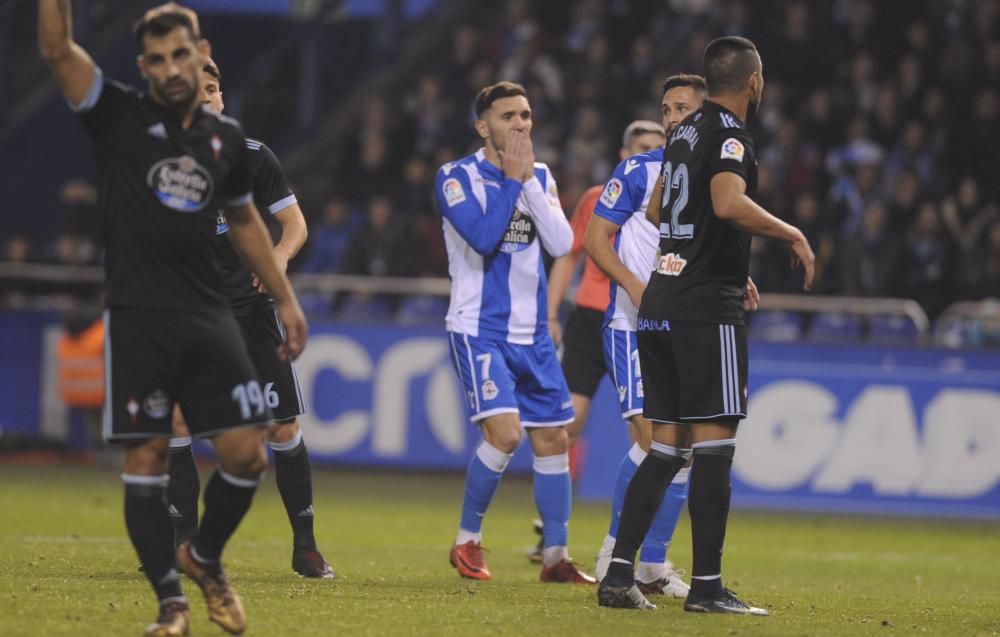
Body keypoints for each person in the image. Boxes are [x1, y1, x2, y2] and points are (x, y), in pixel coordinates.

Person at [38, 3, 308, 636]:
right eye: (155, 59)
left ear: (198, 55)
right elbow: (56, 51)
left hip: (211, 316)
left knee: (246, 456)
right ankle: (172, 605)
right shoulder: (118, 114)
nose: (169, 68)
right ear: (144, 68)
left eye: (179, 55)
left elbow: (246, 224)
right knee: (147, 462)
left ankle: (203, 556)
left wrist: (284, 297)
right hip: (139, 317)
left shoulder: (223, 140)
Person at [597, 36, 814, 613]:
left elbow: (655, 212)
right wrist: (789, 231)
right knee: (715, 449)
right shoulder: (730, 134)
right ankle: (709, 589)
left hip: (662, 302)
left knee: (665, 450)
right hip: (703, 309)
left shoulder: (681, 136)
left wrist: (699, 253)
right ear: (753, 81)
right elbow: (725, 201)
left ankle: (618, 578)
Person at [165, 57, 334, 580]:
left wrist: (280, 258)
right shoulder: (161, 164)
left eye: (215, 89)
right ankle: (183, 548)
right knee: (178, 425)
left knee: (282, 427)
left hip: (251, 312)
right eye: (200, 91)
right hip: (189, 315)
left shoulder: (255, 158)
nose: (210, 98)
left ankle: (305, 546)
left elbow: (294, 224)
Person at [434, 81, 593, 584]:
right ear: (484, 126)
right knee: (504, 434)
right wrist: (509, 180)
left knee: (553, 437)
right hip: (479, 328)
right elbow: (481, 240)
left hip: (533, 334)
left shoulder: (538, 176)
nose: (521, 124)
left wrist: (525, 182)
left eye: (526, 115)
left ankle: (555, 557)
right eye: (508, 117)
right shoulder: (454, 177)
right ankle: (467, 542)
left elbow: (564, 242)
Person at [585, 75, 718, 598]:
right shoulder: (639, 170)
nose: (671, 117)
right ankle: (614, 549)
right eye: (667, 108)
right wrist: (634, 285)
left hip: (683, 326)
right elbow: (597, 240)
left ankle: (653, 564)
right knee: (651, 438)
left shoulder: (712, 174)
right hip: (632, 326)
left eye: (683, 108)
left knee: (682, 446)